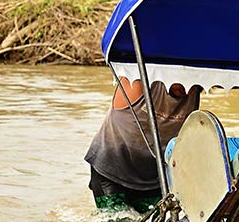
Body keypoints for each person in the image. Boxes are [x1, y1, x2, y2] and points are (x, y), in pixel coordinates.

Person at [84, 77, 202, 213]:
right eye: (182, 78)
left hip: (154, 178)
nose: (187, 88)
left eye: (193, 83)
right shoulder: (139, 82)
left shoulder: (195, 90)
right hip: (112, 170)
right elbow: (131, 60)